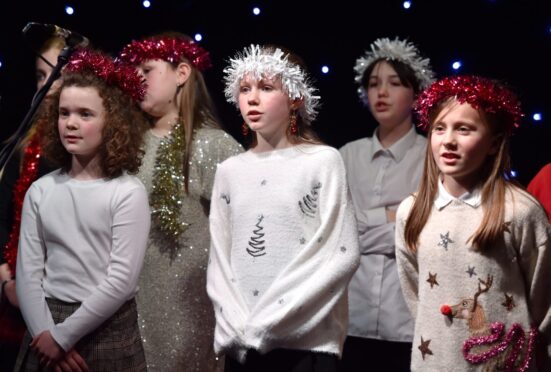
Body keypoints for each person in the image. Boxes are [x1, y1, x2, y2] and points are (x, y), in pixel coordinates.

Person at [207, 44, 361, 372]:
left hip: (306, 343)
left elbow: (341, 253)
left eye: (266, 88)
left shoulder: (322, 161)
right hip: (244, 341)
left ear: (295, 97)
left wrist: (269, 322)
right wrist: (234, 324)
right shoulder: (229, 171)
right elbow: (220, 257)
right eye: (244, 89)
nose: (252, 98)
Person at [395, 75, 551, 371]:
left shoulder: (520, 212)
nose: (449, 140)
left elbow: (544, 296)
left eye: (464, 129)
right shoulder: (412, 211)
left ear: (493, 144)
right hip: (434, 362)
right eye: (439, 128)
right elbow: (417, 295)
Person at [13, 48, 151, 371]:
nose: (71, 123)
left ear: (113, 122)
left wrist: (62, 338)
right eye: (64, 113)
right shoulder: (42, 190)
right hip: (45, 323)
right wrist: (45, 334)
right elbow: (29, 274)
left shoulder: (127, 192)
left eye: (85, 114)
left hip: (104, 328)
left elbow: (121, 281)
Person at [117, 34, 243, 371]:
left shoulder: (214, 145)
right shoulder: (126, 143)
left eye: (147, 69)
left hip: (189, 305)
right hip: (127, 302)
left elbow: (244, 229)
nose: (137, 77)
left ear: (182, 73)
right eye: (134, 70)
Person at [338, 37, 435, 372]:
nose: (381, 93)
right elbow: (337, 232)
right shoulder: (346, 155)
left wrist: (365, 224)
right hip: (351, 317)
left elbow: (425, 231)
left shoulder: (432, 155)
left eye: (394, 83)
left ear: (416, 93)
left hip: (406, 321)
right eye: (374, 84)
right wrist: (391, 218)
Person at [0, 35, 65, 371]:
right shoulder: (24, 147)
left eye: (57, 74)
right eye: (42, 76)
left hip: (65, 303)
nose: (48, 85)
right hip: (12, 299)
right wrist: (6, 279)